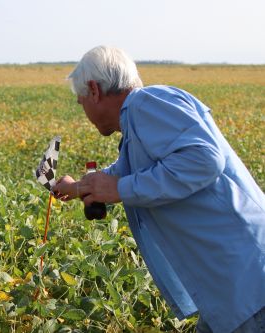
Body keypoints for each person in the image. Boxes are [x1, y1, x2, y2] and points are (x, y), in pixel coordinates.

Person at [52, 46, 265, 333]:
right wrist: (78, 188)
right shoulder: (139, 118)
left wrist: (121, 188)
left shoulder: (147, 103)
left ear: (94, 90)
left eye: (81, 102)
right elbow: (128, 171)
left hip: (245, 281)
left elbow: (202, 160)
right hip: (230, 286)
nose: (85, 112)